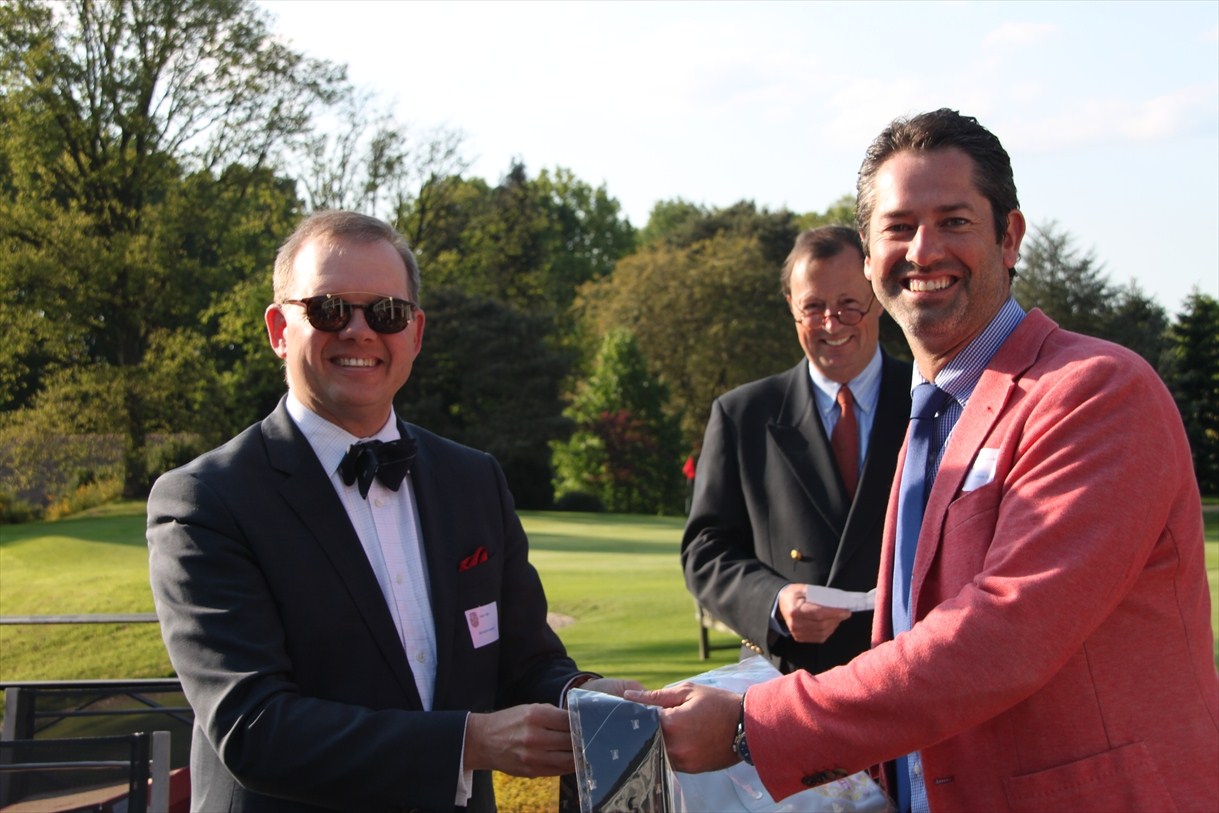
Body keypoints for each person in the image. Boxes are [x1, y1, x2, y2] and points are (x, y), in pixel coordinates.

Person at [629, 109, 1219, 812]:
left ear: (1009, 237)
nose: (923, 250)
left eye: (954, 221)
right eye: (898, 226)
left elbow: (1004, 636)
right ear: (869, 254)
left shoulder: (1094, 391)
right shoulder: (930, 410)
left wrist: (753, 727)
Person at [147, 210, 637, 813]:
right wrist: (468, 742)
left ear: (415, 332)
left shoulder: (474, 480)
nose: (360, 332)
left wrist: (588, 699)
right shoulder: (206, 499)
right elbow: (254, 728)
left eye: (386, 313)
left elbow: (526, 662)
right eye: (330, 309)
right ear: (278, 329)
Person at [682, 226, 910, 674]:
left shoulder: (935, 400)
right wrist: (774, 599)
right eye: (813, 307)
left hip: (907, 674)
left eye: (849, 305)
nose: (832, 324)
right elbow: (704, 551)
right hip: (785, 681)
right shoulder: (742, 414)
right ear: (791, 306)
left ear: (879, 298)